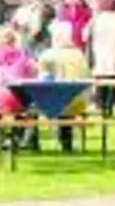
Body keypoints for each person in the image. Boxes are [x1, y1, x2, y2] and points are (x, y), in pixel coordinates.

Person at [36, 20, 93, 151]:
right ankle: (66, 141)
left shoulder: (48, 55)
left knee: (30, 106)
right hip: (80, 101)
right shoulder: (79, 54)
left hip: (56, 103)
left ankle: (30, 141)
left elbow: (40, 78)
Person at [0, 26, 39, 148]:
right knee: (29, 104)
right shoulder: (23, 56)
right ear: (14, 41)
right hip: (16, 100)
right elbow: (33, 74)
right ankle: (18, 138)